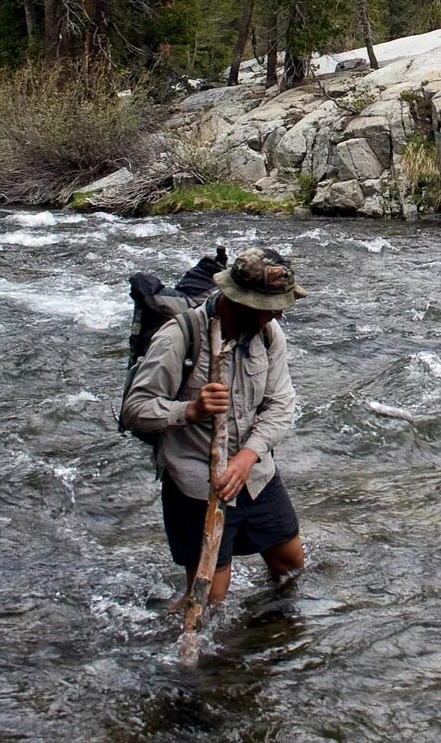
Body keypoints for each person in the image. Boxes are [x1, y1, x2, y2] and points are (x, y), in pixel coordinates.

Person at [122, 245, 305, 607]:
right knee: (209, 598)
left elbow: (281, 405)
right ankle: (179, 649)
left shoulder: (269, 335)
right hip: (196, 485)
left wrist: (248, 456)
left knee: (290, 565)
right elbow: (134, 410)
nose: (280, 314)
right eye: (273, 306)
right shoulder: (180, 337)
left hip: (255, 476)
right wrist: (190, 410)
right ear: (244, 302)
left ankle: (271, 635)